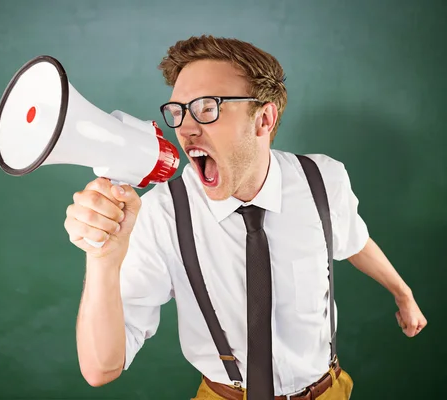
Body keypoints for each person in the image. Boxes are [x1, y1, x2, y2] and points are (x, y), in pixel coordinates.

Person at [64, 35, 427, 399]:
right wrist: (102, 260)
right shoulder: (161, 213)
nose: (185, 128)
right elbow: (101, 368)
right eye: (178, 111)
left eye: (207, 107)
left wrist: (403, 293)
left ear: (264, 119)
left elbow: (353, 240)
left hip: (327, 390)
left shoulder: (323, 180)